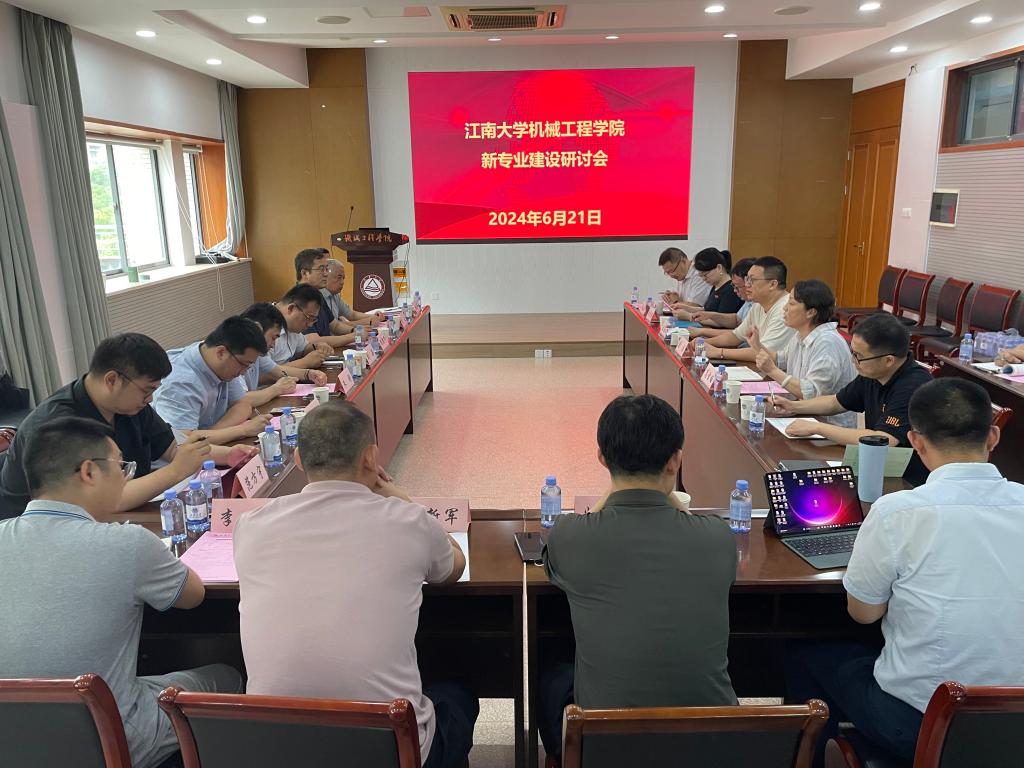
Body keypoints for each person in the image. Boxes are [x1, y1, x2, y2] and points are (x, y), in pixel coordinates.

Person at [786, 378, 1024, 767]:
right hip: (1016, 725)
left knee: (808, 658)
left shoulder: (897, 511)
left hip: (921, 723)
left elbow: (864, 613)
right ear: (993, 436)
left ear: (915, 441)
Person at [234, 401, 476, 768]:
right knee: (458, 693)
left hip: (277, 750)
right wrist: (406, 501)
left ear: (297, 459)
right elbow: (453, 567)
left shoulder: (251, 526)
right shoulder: (408, 521)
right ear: (370, 457)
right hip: (390, 750)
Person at [0, 417, 243, 768]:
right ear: (89, 472)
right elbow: (193, 596)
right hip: (109, 739)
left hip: (12, 742)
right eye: (121, 466)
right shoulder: (127, 543)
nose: (126, 477)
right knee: (227, 675)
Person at [539, 394, 737, 759]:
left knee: (550, 667)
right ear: (676, 460)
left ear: (602, 458)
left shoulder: (569, 536)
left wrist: (614, 491)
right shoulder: (719, 538)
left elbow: (581, 529)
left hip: (608, 750)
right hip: (714, 748)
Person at [0, 333, 211, 518]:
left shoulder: (130, 405)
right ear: (111, 380)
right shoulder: (58, 425)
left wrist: (219, 454)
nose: (150, 399)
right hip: (39, 532)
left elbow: (172, 448)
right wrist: (176, 471)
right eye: (146, 391)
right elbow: (107, 500)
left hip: (113, 517)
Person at [770, 313, 932, 485]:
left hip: (907, 479)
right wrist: (793, 406)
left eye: (858, 356)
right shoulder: (873, 372)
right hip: (877, 466)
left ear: (888, 360)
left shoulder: (914, 385)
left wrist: (817, 427)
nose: (853, 361)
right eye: (852, 352)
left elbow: (883, 439)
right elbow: (836, 402)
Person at [152, 317, 272, 446]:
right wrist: (243, 430)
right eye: (243, 364)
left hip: (209, 447)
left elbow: (243, 404)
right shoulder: (180, 382)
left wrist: (213, 434)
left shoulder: (219, 361)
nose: (243, 372)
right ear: (221, 352)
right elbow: (183, 441)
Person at [752, 280, 857, 427]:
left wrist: (772, 371)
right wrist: (757, 346)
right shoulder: (800, 334)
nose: (785, 308)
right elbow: (780, 359)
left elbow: (812, 392)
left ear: (811, 312)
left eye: (791, 303)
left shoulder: (827, 343)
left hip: (828, 427)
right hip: (803, 415)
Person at [690, 256, 796, 362]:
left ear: (772, 284)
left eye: (752, 280)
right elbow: (736, 336)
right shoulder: (758, 305)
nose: (747, 285)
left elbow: (763, 353)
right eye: (746, 279)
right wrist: (703, 343)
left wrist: (718, 352)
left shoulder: (785, 310)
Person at [238, 303, 327, 391]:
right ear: (258, 329)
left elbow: (277, 371)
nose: (273, 345)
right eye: (273, 338)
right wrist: (276, 389)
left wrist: (308, 374)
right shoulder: (236, 354)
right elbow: (242, 398)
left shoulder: (258, 354)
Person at [294, 248, 357, 348]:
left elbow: (335, 325)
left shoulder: (317, 294)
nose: (326, 273)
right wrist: (354, 337)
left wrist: (354, 330)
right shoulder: (298, 300)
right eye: (321, 269)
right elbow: (314, 341)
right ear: (305, 273)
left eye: (327, 269)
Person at [268, 284, 335, 369]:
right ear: (291, 308)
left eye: (313, 320)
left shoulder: (291, 325)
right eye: (308, 318)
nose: (310, 324)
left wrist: (316, 347)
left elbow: (302, 349)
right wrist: (304, 363)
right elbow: (264, 373)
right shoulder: (265, 325)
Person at [673, 248, 743, 321]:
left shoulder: (731, 290)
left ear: (719, 268)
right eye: (701, 276)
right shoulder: (715, 286)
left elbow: (722, 321)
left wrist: (689, 316)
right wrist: (684, 307)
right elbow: (706, 310)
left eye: (705, 275)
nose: (704, 279)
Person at [691, 257, 756, 331]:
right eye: (734, 286)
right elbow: (736, 320)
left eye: (737, 287)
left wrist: (703, 331)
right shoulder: (748, 302)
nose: (735, 290)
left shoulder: (757, 304)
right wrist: (710, 315)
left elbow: (739, 334)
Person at [322, 258, 385, 327]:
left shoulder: (334, 294)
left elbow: (351, 315)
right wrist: (366, 322)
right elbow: (333, 328)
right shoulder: (318, 296)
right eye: (339, 277)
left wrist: (373, 316)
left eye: (343, 278)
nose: (342, 282)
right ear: (325, 276)